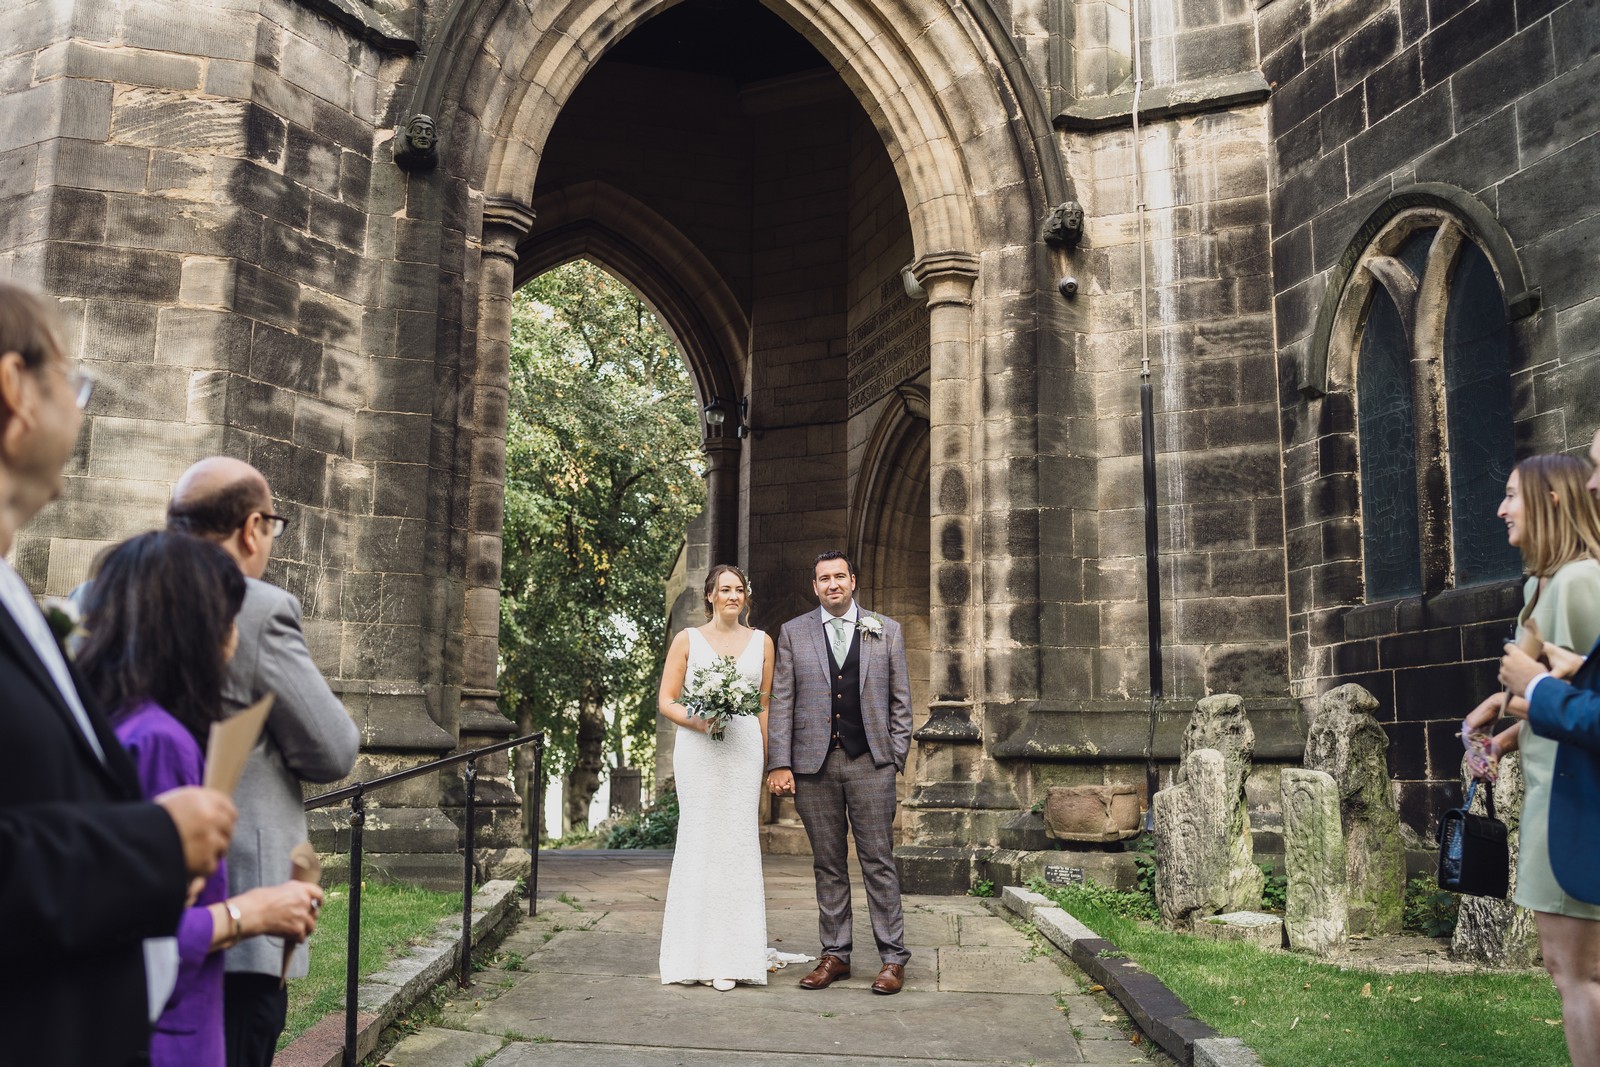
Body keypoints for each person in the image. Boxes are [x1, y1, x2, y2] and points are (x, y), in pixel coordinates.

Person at [0, 280, 237, 1067]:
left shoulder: (22, 609)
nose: (83, 409)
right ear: (15, 392)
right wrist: (153, 842)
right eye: (73, 382)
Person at [78, 532, 325, 1067]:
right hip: (168, 1036)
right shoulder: (162, 741)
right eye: (228, 619)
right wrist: (255, 912)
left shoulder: (115, 719)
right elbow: (136, 934)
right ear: (195, 629)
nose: (234, 640)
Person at [165, 456, 362, 1067]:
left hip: (132, 892)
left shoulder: (103, 590)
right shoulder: (255, 607)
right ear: (253, 528)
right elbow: (333, 750)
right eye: (272, 527)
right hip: (238, 903)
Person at [1464, 452, 1600, 1067]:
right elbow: (1557, 702)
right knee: (1562, 966)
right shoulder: (1539, 585)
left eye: (1512, 495)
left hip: (1578, 800)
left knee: (1581, 973)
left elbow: (1585, 703)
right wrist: (1502, 737)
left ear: (1550, 500)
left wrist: (1527, 690)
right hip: (1550, 796)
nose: (1500, 508)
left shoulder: (1581, 583)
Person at [766, 551, 912, 994]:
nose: (832, 584)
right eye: (824, 578)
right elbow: (783, 702)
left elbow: (900, 702)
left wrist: (893, 757)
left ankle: (892, 959)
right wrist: (780, 761)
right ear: (815, 586)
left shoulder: (886, 630)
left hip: (871, 764)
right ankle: (836, 955)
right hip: (814, 767)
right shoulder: (793, 632)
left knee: (878, 862)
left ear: (853, 581)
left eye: (839, 577)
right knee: (827, 864)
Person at [656, 564, 774, 990]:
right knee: (699, 841)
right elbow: (667, 701)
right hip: (698, 747)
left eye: (739, 589)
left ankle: (733, 958)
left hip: (742, 749)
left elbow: (762, 706)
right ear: (709, 596)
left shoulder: (763, 642)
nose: (732, 596)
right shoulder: (687, 640)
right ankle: (690, 957)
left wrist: (768, 759)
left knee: (737, 845)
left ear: (745, 596)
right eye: (724, 589)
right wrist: (701, 721)